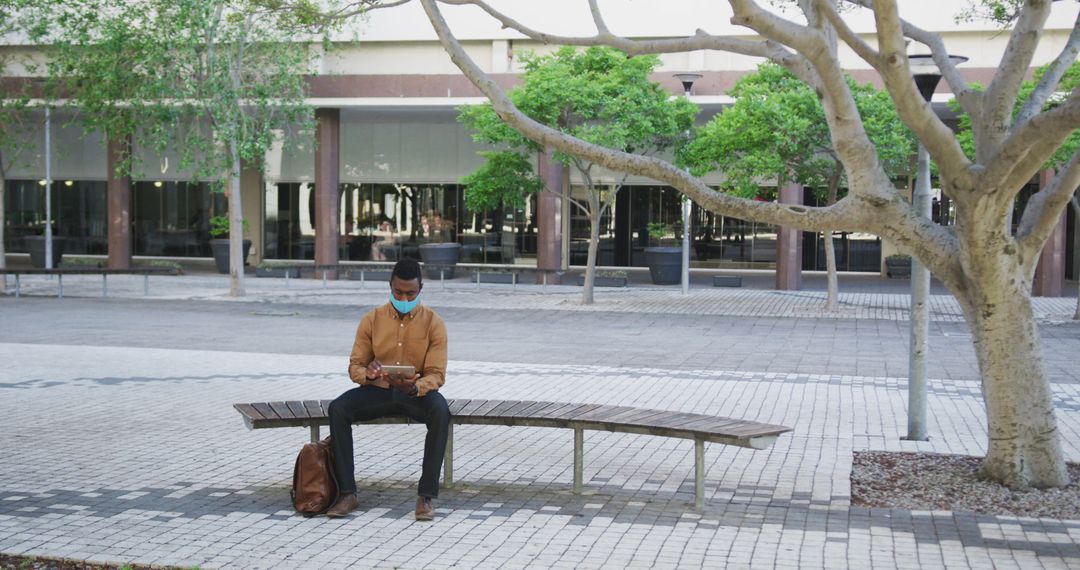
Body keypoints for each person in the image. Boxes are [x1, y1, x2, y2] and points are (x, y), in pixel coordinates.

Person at [325, 258, 450, 521]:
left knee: (440, 411)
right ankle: (347, 492)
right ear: (389, 287)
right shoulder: (372, 320)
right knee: (338, 408)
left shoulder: (433, 323)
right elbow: (355, 366)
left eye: (410, 293)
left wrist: (415, 387)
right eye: (398, 292)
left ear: (421, 289)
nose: (404, 297)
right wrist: (368, 376)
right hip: (378, 391)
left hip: (414, 393)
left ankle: (425, 496)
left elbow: (437, 374)